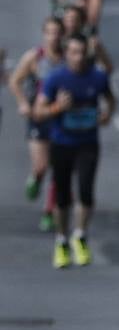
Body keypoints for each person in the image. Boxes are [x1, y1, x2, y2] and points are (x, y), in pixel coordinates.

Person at [33, 32, 115, 269]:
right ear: (66, 54)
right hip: (62, 142)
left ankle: (80, 236)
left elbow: (111, 99)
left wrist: (107, 115)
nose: (78, 58)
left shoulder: (97, 78)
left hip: (88, 142)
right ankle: (61, 240)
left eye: (82, 52)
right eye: (73, 52)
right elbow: (39, 111)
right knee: (63, 195)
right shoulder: (55, 78)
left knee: (86, 190)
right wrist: (58, 106)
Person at [10, 17, 64, 232]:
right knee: (42, 166)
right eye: (49, 32)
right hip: (38, 117)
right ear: (44, 34)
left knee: (59, 168)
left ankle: (49, 211)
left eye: (57, 32)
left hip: (61, 118)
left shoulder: (68, 58)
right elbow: (15, 81)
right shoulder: (34, 57)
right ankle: (36, 178)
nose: (53, 36)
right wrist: (23, 103)